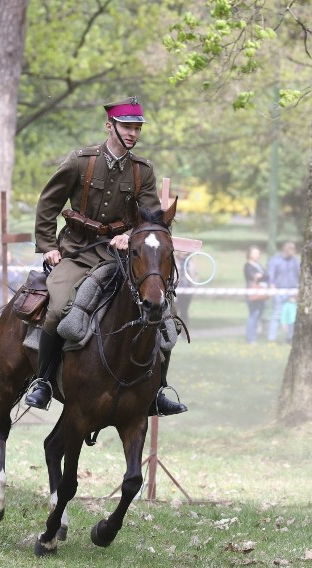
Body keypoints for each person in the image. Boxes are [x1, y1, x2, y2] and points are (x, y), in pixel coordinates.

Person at [23, 97, 187, 416]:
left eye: (137, 128)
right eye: (127, 126)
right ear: (109, 125)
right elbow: (48, 204)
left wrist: (130, 234)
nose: (133, 133)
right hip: (76, 253)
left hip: (121, 258)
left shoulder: (142, 171)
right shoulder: (79, 162)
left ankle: (158, 389)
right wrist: (48, 245)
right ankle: (42, 381)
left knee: (164, 312)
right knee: (57, 309)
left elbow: (151, 217)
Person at [267, 241, 300, 343]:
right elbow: (271, 276)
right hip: (279, 291)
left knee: (292, 316)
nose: (293, 250)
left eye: (294, 248)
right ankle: (271, 338)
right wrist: (272, 287)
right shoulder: (275, 260)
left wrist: (298, 290)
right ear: (285, 249)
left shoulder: (295, 261)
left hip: (292, 291)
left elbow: (299, 275)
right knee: (276, 315)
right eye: (291, 248)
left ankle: (290, 338)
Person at [243, 245, 268, 344]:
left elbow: (266, 275)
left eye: (258, 253)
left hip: (262, 292)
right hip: (253, 292)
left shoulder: (259, 265)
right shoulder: (248, 266)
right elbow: (251, 276)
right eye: (255, 253)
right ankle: (251, 338)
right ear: (250, 254)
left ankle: (254, 336)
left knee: (258, 315)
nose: (258, 255)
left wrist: (260, 276)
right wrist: (259, 276)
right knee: (253, 314)